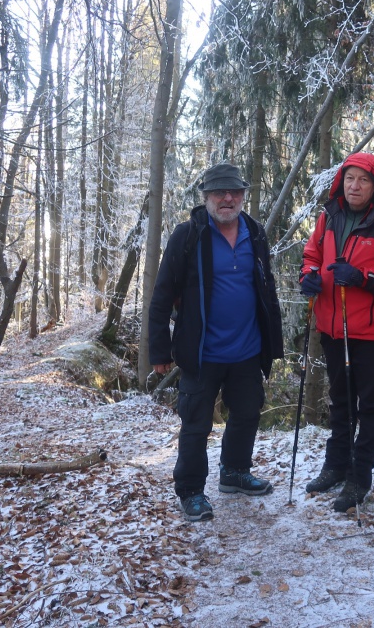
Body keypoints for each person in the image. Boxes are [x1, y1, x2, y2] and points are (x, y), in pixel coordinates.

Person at [148, 163, 284, 522]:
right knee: (196, 424)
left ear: (243, 195)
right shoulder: (189, 235)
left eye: (234, 192)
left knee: (247, 413)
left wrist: (273, 342)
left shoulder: (255, 232)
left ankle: (234, 472)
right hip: (202, 351)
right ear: (206, 197)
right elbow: (162, 295)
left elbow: (266, 288)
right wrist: (159, 350)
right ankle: (191, 490)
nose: (228, 198)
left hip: (247, 349)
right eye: (219, 192)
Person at [299, 152, 374, 513]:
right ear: (341, 182)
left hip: (371, 332)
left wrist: (361, 278)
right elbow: (311, 255)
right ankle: (335, 466)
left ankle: (359, 476)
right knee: (340, 401)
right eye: (350, 178)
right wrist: (309, 277)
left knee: (372, 406)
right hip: (332, 326)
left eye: (363, 180)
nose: (355, 186)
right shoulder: (329, 217)